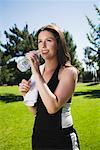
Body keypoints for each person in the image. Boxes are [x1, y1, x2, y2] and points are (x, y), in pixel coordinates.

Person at [19, 23, 80, 150]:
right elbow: (37, 112)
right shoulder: (39, 71)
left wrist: (35, 72)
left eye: (48, 40)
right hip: (39, 138)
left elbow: (53, 107)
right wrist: (26, 94)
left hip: (62, 139)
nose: (43, 45)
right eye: (40, 41)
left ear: (58, 44)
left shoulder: (68, 72)